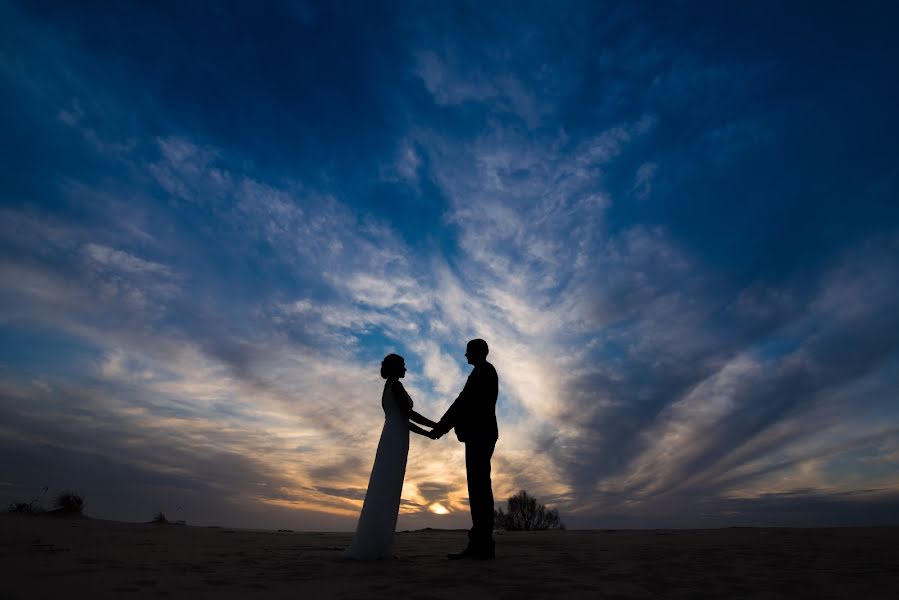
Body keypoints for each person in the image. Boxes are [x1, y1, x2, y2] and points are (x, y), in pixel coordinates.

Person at [343, 354, 437, 560]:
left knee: (387, 486)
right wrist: (436, 426)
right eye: (403, 365)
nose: (406, 369)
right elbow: (409, 415)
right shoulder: (396, 386)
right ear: (395, 368)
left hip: (392, 437)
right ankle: (375, 546)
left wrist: (428, 433)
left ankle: (378, 543)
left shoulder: (388, 387)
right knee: (387, 486)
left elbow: (404, 421)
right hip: (394, 440)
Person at [429, 339, 499, 560]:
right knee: (479, 488)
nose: (465, 355)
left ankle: (481, 545)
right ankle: (481, 543)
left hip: (480, 435)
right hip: (481, 434)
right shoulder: (483, 371)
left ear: (478, 352)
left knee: (478, 489)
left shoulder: (483, 372)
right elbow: (465, 403)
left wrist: (442, 427)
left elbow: (464, 402)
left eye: (468, 351)